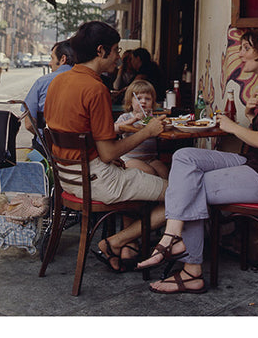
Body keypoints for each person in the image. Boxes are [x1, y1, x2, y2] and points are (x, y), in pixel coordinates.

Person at [136, 27, 258, 295]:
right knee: (184, 157)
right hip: (256, 165)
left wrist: (230, 125)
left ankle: (189, 267)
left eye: (246, 48)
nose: (240, 54)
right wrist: (253, 115)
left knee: (192, 184)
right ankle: (175, 238)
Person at [44, 21, 168, 272]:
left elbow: (73, 133)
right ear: (101, 51)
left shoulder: (57, 81)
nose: (120, 58)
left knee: (140, 173)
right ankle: (115, 241)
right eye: (116, 50)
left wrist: (107, 156)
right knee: (182, 194)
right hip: (97, 181)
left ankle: (123, 243)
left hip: (68, 180)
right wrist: (148, 131)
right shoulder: (95, 88)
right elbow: (108, 151)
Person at [113, 80, 169, 179]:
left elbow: (160, 140)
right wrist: (131, 121)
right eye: (139, 98)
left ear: (153, 102)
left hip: (150, 158)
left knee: (164, 173)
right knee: (150, 173)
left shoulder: (153, 119)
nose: (143, 101)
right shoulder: (126, 117)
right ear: (131, 101)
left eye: (147, 99)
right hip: (129, 159)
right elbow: (114, 129)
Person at [20, 40, 76, 138]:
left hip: (46, 147)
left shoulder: (42, 82)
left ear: (63, 59)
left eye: (52, 58)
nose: (50, 63)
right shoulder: (92, 82)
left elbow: (29, 124)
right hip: (84, 150)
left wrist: (46, 140)